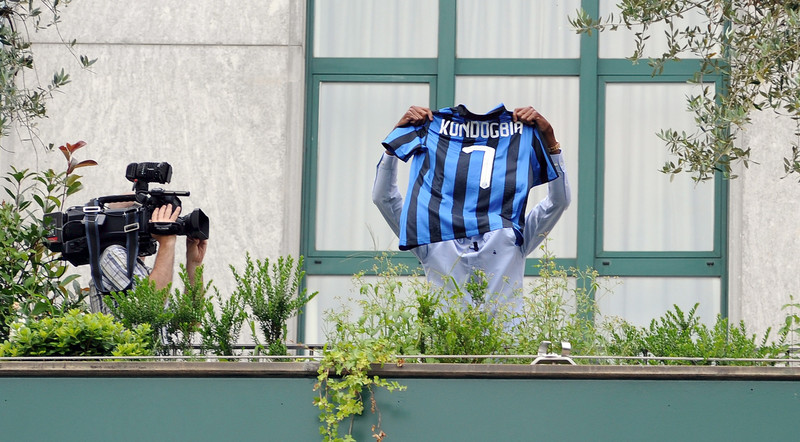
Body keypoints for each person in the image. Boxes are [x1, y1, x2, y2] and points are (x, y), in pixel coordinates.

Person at [372, 104, 570, 310]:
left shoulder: (512, 233)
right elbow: (383, 198)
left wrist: (551, 141)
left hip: (504, 334)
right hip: (448, 334)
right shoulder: (431, 235)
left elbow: (558, 202)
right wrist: (394, 144)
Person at [88, 203, 208, 314]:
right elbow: (151, 304)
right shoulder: (111, 254)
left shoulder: (147, 274)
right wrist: (167, 241)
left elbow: (191, 322)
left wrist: (194, 264)